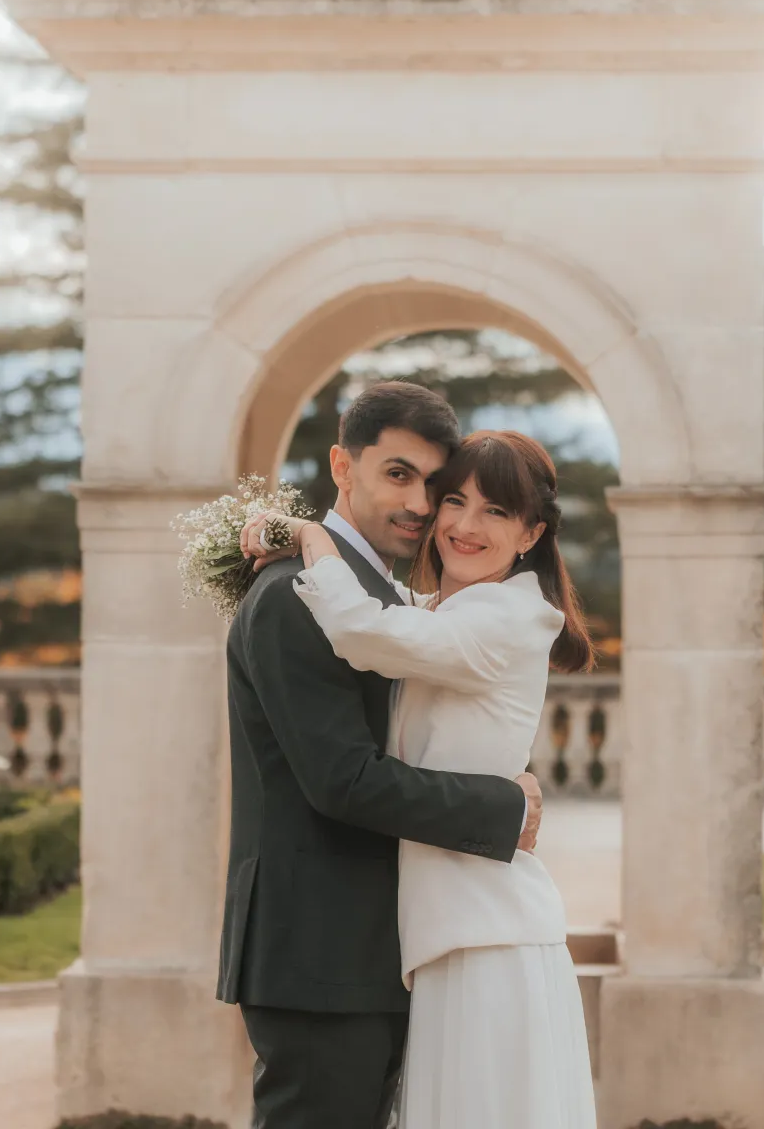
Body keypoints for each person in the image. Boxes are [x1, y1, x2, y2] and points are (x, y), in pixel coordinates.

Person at [241, 427, 598, 1129]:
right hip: (444, 934)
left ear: (531, 534)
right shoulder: (452, 612)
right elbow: (397, 611)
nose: (465, 525)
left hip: (485, 935)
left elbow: (363, 631)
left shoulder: (506, 617)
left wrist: (314, 538)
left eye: (496, 511)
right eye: (455, 501)